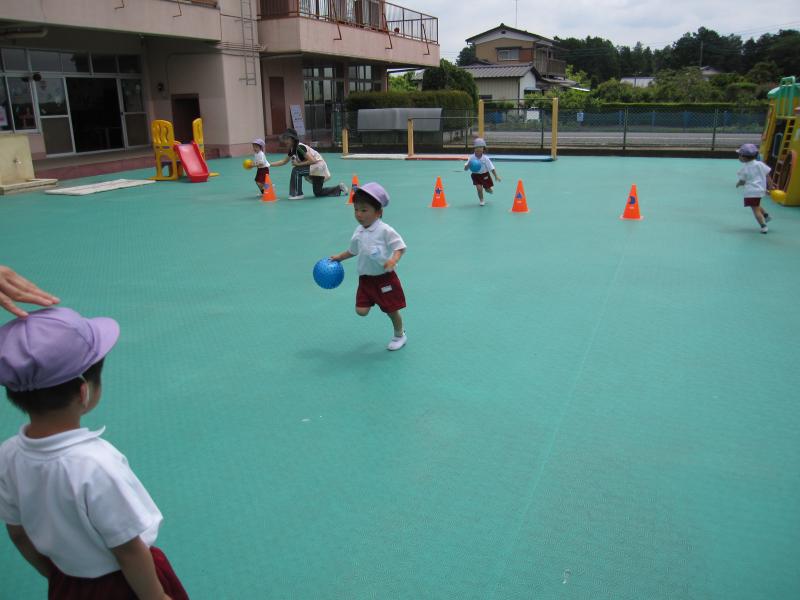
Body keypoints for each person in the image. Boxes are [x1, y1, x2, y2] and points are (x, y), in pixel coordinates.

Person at [0, 307, 189, 599]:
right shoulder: (95, 465)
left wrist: (58, 577)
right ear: (83, 391)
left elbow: (18, 534)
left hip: (68, 582)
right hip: (125, 586)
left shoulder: (8, 454)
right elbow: (127, 549)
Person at [329, 182, 408, 351]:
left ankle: (399, 335)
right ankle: (376, 302)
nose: (359, 214)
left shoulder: (385, 230)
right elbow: (353, 250)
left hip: (385, 279)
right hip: (365, 279)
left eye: (364, 210)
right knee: (361, 311)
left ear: (379, 212)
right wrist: (340, 258)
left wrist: (393, 260)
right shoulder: (359, 231)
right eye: (356, 209)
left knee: (391, 310)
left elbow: (400, 247)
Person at [270, 128, 346, 200]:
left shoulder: (299, 147)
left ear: (293, 139)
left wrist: (297, 164)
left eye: (287, 139)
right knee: (318, 192)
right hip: (317, 169)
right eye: (285, 139)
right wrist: (268, 164)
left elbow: (313, 160)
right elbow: (283, 161)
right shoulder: (292, 149)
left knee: (296, 170)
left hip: (318, 166)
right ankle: (339, 188)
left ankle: (297, 194)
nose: (285, 141)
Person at [735, 143, 773, 234]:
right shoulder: (760, 164)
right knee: (756, 204)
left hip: (751, 192)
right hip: (760, 190)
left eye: (739, 155)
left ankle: (763, 226)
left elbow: (742, 181)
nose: (738, 157)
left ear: (744, 157)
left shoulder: (745, 169)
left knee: (755, 209)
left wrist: (738, 184)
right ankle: (766, 215)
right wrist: (770, 186)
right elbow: (768, 175)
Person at [464, 137, 501, 206]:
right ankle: (481, 200)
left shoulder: (485, 158)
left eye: (480, 147)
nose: (478, 149)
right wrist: (467, 165)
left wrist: (496, 176)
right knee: (479, 189)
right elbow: (465, 169)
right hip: (475, 175)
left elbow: (491, 168)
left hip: (485, 175)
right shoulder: (471, 158)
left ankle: (488, 189)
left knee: (487, 189)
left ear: (483, 149)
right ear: (474, 148)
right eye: (476, 147)